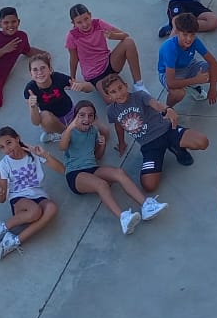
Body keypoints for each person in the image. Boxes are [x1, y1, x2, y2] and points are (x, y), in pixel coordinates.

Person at [58, 99, 167, 234]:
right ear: (75, 117)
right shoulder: (70, 132)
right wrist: (70, 127)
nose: (86, 118)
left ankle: (146, 206)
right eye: (81, 115)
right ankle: (123, 218)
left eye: (90, 115)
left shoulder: (93, 131)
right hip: (75, 174)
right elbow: (62, 147)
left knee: (119, 172)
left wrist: (102, 145)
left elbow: (97, 156)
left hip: (92, 168)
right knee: (101, 184)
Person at [99, 73, 209, 193]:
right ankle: (161, 156)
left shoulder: (139, 95)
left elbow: (155, 103)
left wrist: (167, 109)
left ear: (126, 85)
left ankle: (177, 148)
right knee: (149, 185)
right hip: (149, 145)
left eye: (120, 88)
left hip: (167, 131)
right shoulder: (111, 111)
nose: (119, 93)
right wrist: (121, 143)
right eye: (113, 92)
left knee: (202, 142)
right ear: (108, 96)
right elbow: (118, 126)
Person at [0, 127, 64, 260]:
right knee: (35, 211)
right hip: (19, 199)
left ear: (17, 138)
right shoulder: (4, 165)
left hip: (38, 195)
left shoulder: (33, 153)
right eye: (2, 147)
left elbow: (62, 170)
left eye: (9, 143)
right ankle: (1, 227)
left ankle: (14, 241)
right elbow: (1, 199)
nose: (7, 149)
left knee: (52, 208)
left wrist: (45, 155)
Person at [64, 4, 148, 92]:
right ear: (73, 23)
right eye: (79, 22)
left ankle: (139, 85)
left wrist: (113, 36)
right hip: (94, 76)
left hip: (110, 64)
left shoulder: (99, 24)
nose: (84, 24)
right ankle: (93, 87)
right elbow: (74, 59)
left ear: (90, 15)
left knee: (129, 42)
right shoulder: (72, 36)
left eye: (86, 19)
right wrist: (72, 78)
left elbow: (125, 36)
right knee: (112, 98)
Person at [158, 12, 217, 106]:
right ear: (177, 32)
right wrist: (196, 80)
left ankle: (189, 85)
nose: (189, 39)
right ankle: (167, 109)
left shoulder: (195, 41)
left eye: (192, 35)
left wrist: (213, 87)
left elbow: (212, 62)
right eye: (185, 35)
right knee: (178, 94)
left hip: (189, 65)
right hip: (169, 73)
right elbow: (171, 83)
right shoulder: (170, 48)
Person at [23, 51, 92, 143]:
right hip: (53, 120)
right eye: (35, 70)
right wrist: (33, 106)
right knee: (44, 116)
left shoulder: (58, 78)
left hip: (69, 112)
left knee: (101, 129)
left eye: (43, 68)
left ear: (50, 70)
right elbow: (36, 122)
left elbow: (90, 87)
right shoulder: (30, 89)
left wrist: (81, 86)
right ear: (31, 74)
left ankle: (65, 133)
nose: (39, 72)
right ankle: (64, 134)